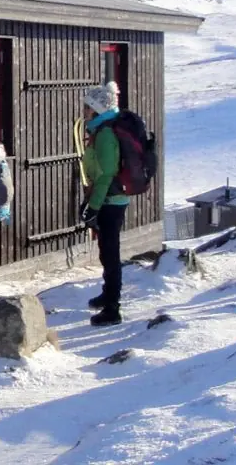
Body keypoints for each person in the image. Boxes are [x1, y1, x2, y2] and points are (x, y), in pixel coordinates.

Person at [81, 83, 129, 327]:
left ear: (98, 108)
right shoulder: (101, 129)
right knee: (106, 250)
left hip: (110, 201)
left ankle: (113, 307)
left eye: (88, 107)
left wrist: (94, 207)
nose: (84, 111)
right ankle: (108, 294)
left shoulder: (106, 134)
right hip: (108, 199)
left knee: (110, 252)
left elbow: (106, 173)